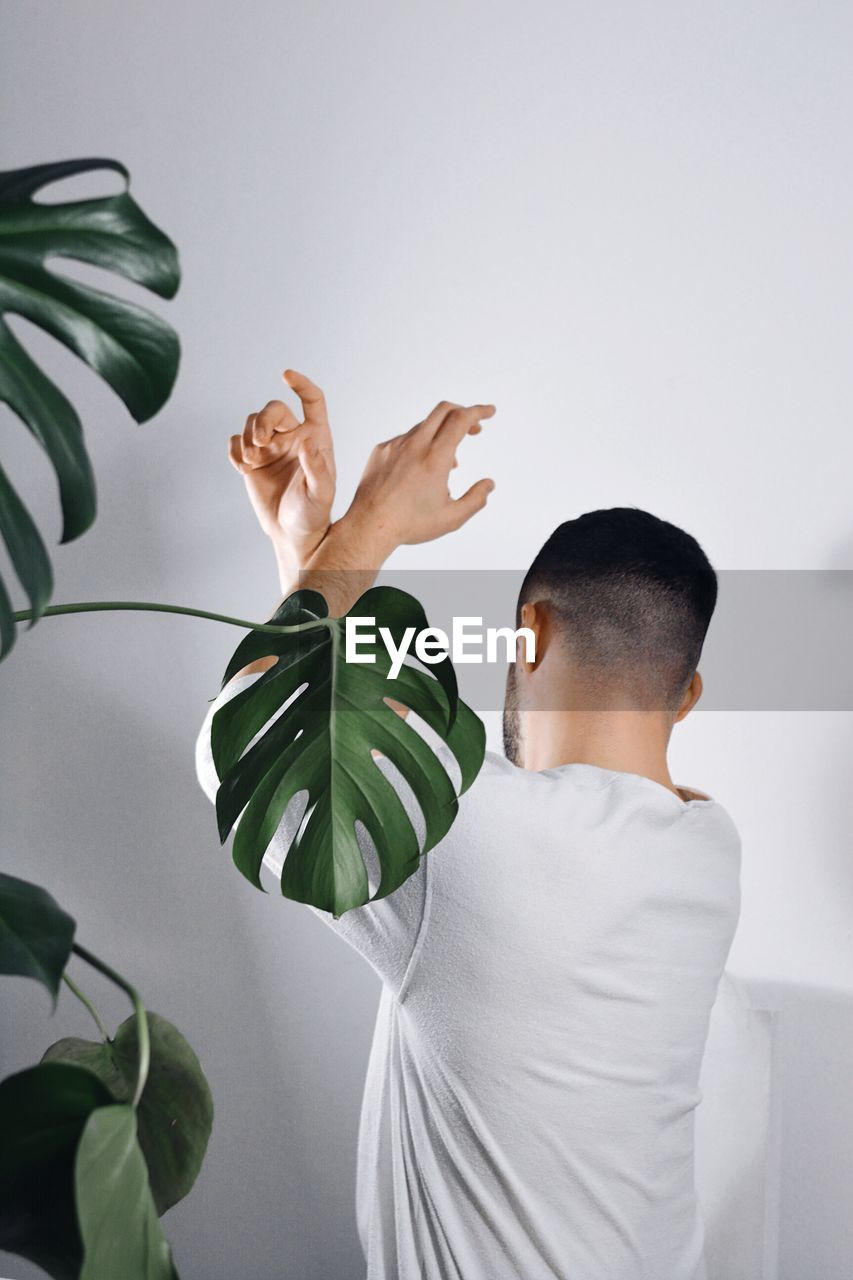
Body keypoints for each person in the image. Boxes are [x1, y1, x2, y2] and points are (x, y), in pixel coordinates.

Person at [194, 369, 741, 1280]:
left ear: (525, 635)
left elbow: (248, 750)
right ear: (685, 696)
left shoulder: (473, 843)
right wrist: (308, 553)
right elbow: (359, 760)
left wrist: (368, 525)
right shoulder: (705, 849)